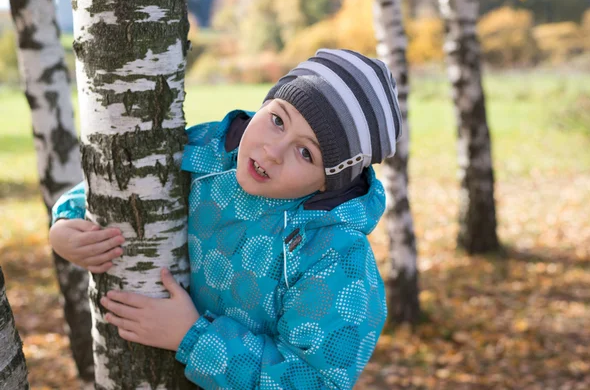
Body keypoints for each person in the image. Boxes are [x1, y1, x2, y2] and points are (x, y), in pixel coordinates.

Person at [49, 49, 402, 389]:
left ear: (330, 181)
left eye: (305, 152)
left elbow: (315, 381)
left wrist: (194, 338)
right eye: (278, 120)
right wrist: (67, 223)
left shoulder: (337, 259)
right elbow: (131, 182)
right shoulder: (207, 152)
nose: (272, 152)